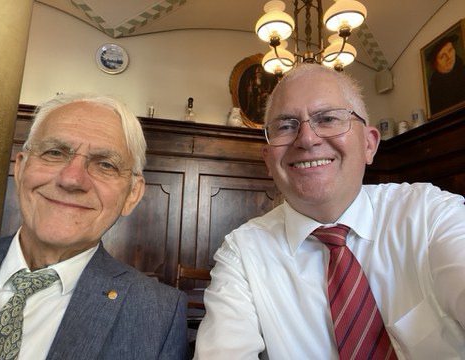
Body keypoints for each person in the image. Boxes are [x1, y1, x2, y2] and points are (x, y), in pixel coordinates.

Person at [194, 63, 465, 359]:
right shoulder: (241, 254)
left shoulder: (430, 214)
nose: (307, 139)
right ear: (268, 161)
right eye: (286, 125)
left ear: (369, 144)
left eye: (328, 119)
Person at [0, 93, 188, 359]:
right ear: (21, 168)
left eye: (105, 164)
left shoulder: (158, 314)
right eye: (55, 152)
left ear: (131, 195)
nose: (72, 179)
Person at [427, 33, 465, 115]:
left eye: (450, 50)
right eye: (442, 56)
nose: (449, 57)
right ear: (435, 64)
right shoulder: (433, 91)